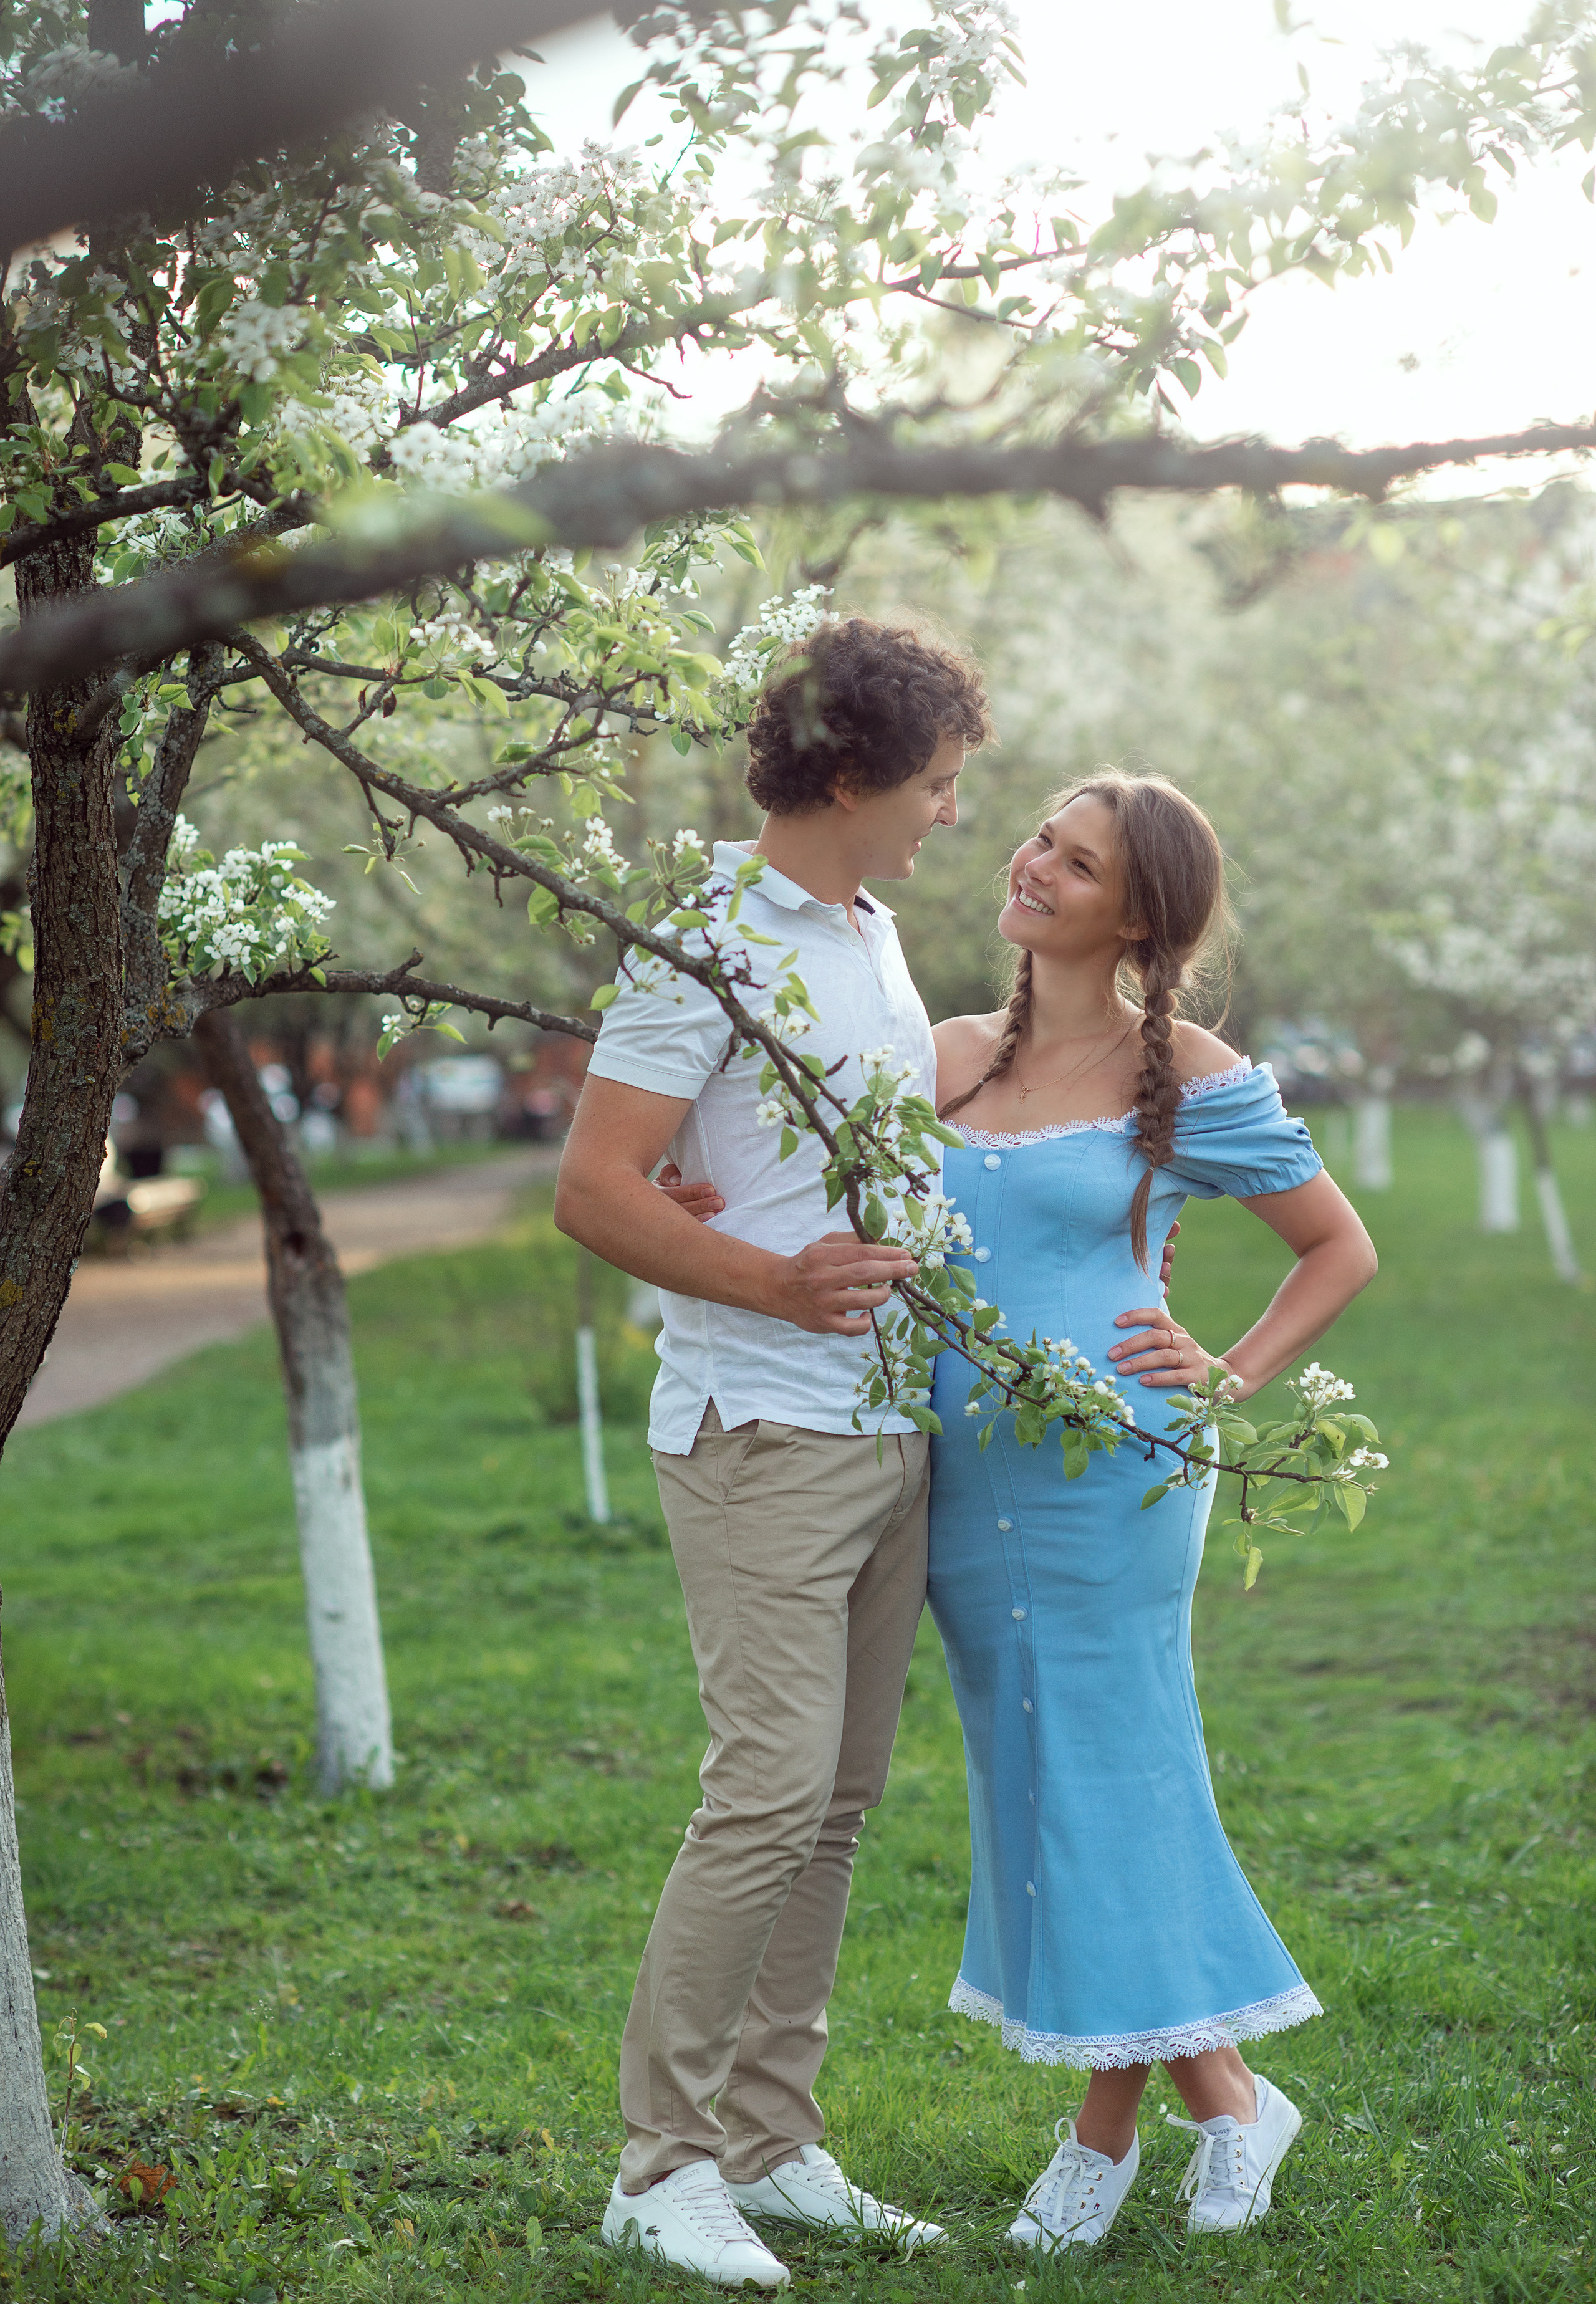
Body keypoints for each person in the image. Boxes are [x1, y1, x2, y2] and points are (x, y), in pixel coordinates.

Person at [553, 618, 991, 2288]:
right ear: (858, 775)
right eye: (940, 784)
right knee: (767, 1795)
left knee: (842, 1801)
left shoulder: (871, 931)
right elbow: (596, 1186)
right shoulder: (706, 942)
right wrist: (775, 1280)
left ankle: (773, 2140)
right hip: (761, 1428)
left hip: (889, 1428)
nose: (954, 812)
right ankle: (658, 2165)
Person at [925, 770, 1378, 2249]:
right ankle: (1227, 2095)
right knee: (1036, 1780)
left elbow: (1334, 1249)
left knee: (1109, 1774)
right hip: (956, 1483)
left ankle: (1099, 2139)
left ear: (1136, 914)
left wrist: (1224, 1377)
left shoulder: (1179, 1072)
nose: (1034, 865)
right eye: (1038, 840)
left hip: (1112, 1471)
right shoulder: (934, 1061)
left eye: (1078, 860)